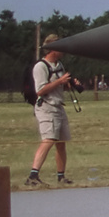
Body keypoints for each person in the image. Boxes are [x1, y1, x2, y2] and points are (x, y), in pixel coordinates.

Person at [26, 34, 81, 188]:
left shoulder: (59, 65)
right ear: (52, 49)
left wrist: (69, 84)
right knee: (49, 139)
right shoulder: (41, 67)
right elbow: (40, 90)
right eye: (60, 48)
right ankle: (33, 175)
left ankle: (61, 176)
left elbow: (59, 85)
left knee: (61, 142)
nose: (63, 51)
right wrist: (60, 81)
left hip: (59, 107)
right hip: (47, 107)